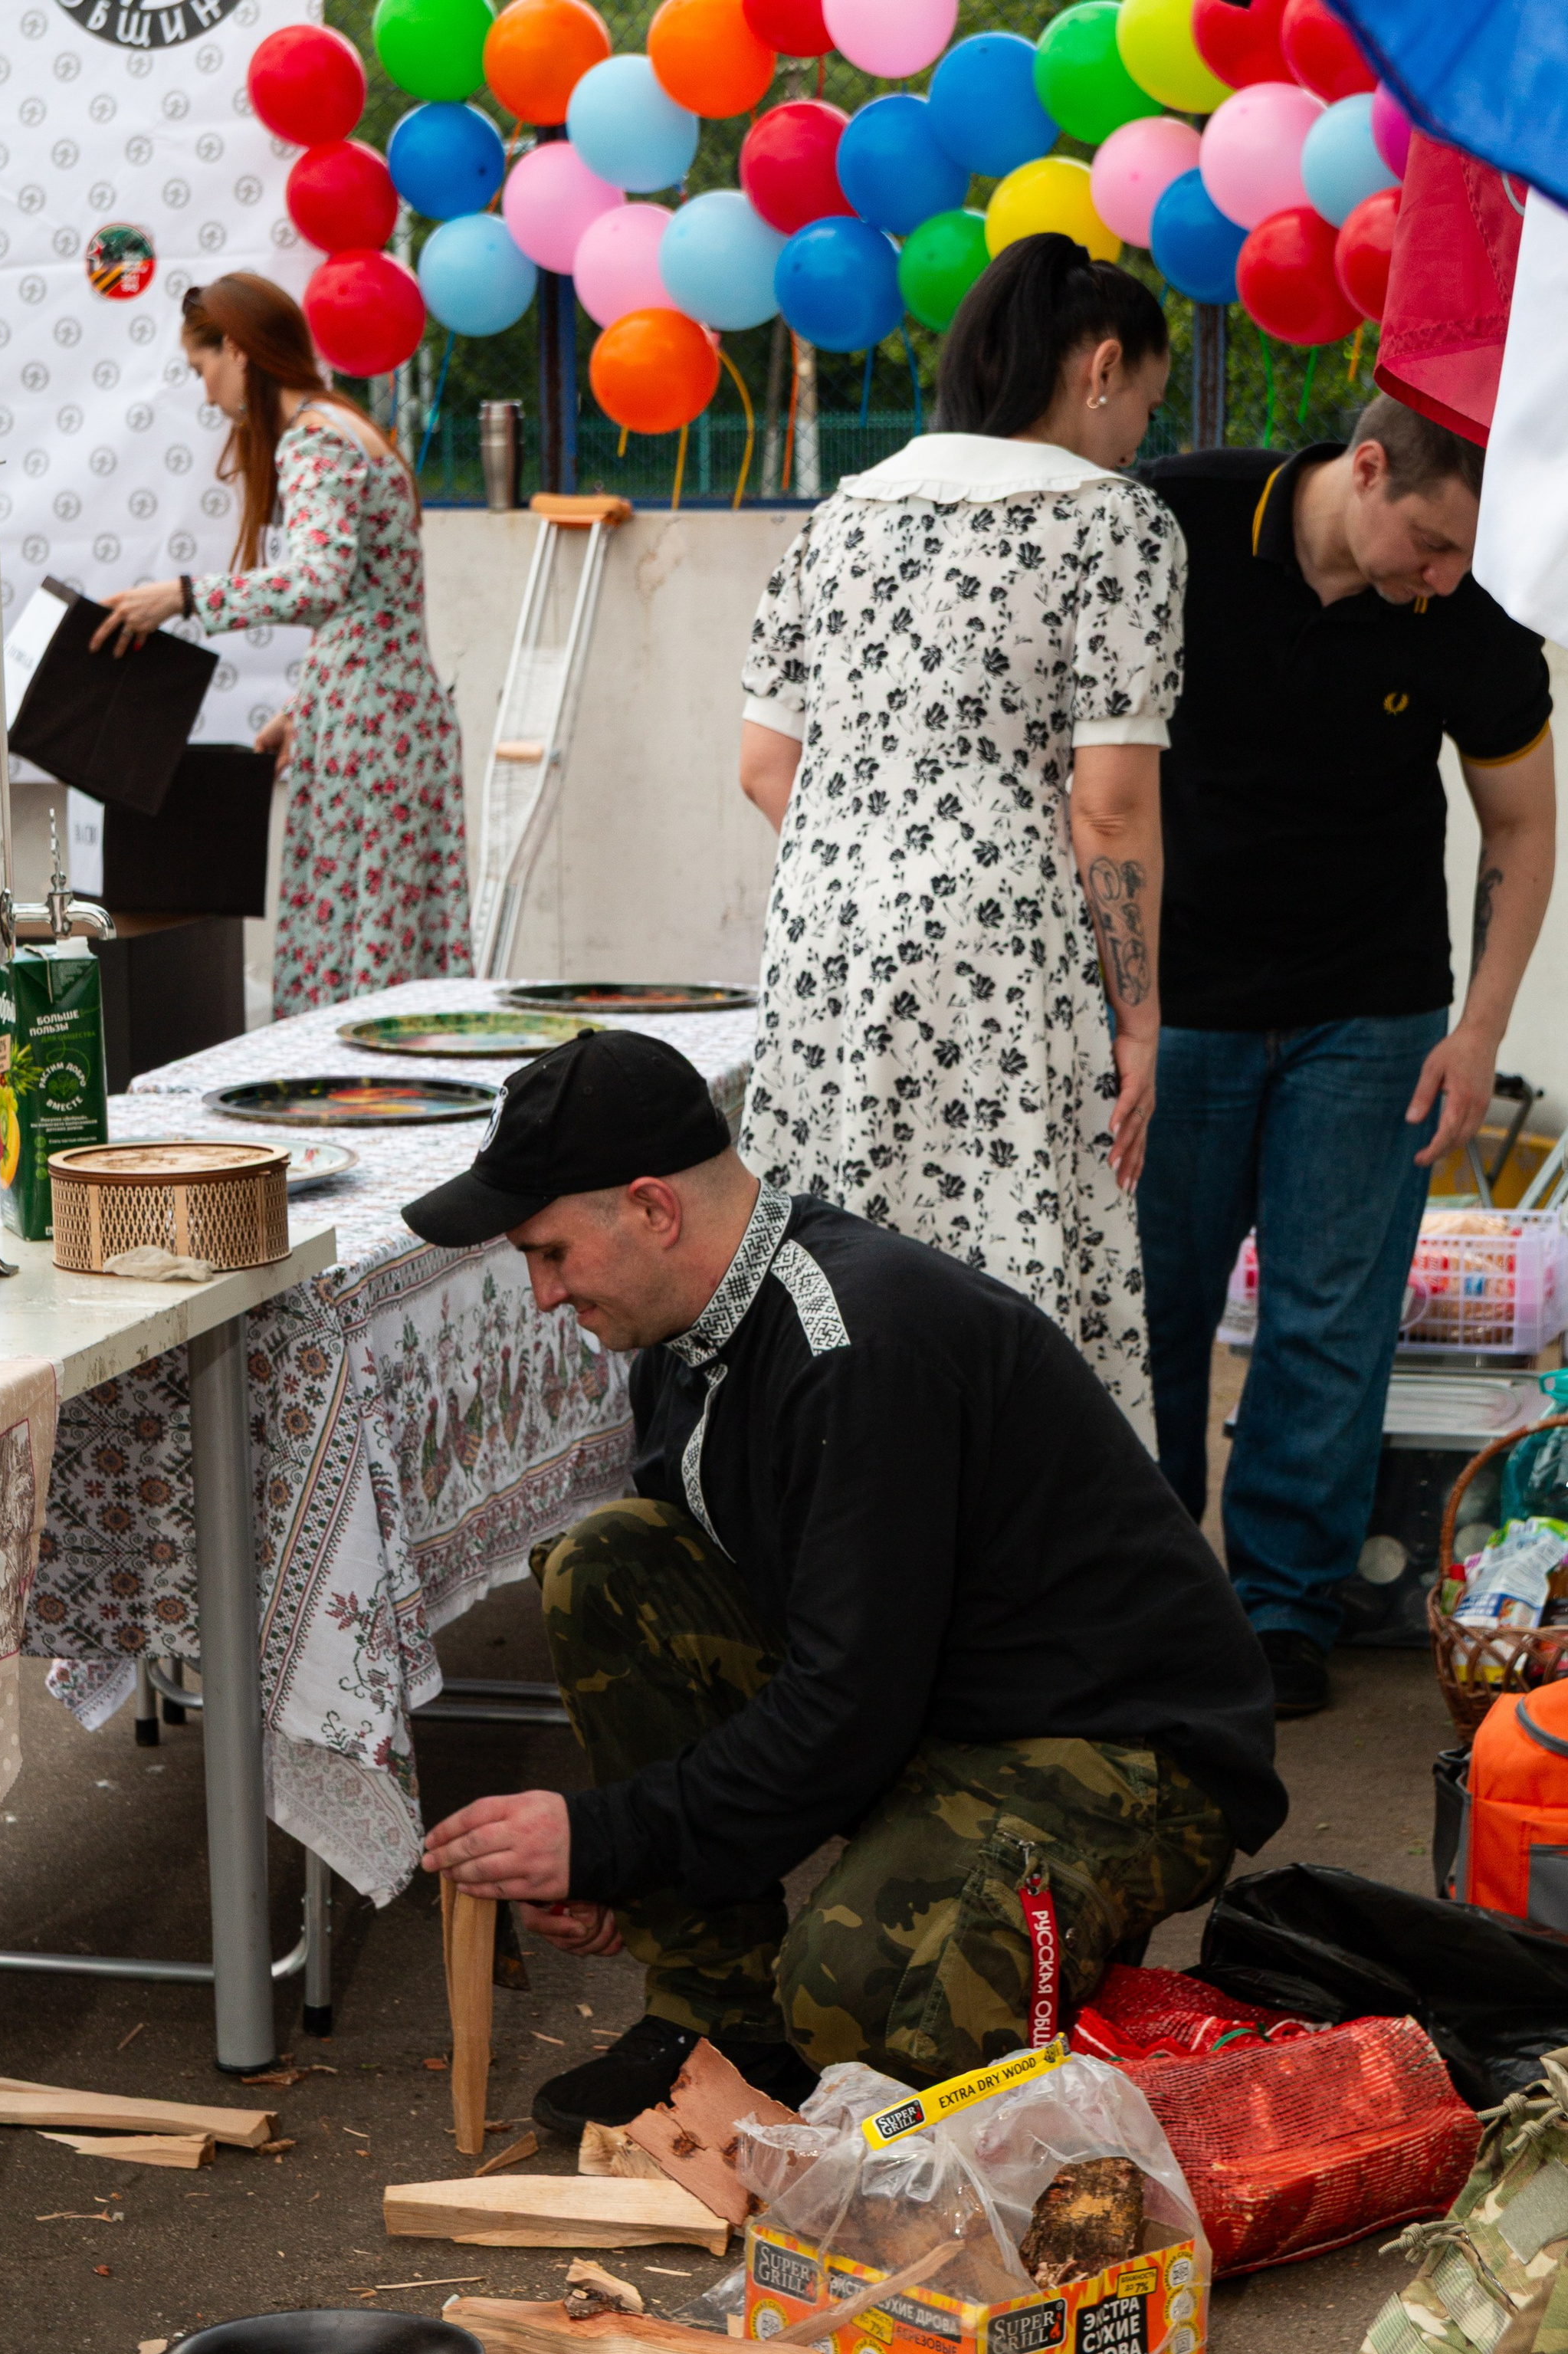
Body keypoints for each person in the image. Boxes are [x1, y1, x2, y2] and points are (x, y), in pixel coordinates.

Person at [405, 1032, 1285, 2132]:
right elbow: (773, 1658)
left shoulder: (856, 1345)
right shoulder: (689, 1334)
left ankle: (1045, 1922)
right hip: (929, 1703)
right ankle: (718, 2016)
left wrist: (606, 1836)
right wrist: (624, 1859)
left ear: (652, 1209)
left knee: (859, 2010)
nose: (541, 1294)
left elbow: (844, 1709)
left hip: (1115, 1744)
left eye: (549, 1252)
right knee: (609, 1567)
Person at [1137, 398, 1557, 1717]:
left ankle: (1281, 1614)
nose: (1441, 578)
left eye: (1463, 561)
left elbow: (1522, 827)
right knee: (1149, 1309)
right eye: (1429, 545)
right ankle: (1141, 1599)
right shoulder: (1175, 519)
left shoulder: (1473, 609)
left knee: (1331, 1324)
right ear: (1365, 468)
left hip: (1369, 1015)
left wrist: (1479, 1030)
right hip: (1176, 1009)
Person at [735, 233, 1185, 1442]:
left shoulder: (839, 515)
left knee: (839, 1267)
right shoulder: (1113, 524)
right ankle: (1020, 1590)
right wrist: (1137, 1014)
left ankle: (846, 1559)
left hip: (823, 941)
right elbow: (1109, 807)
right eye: (1145, 400)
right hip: (1000, 951)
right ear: (1100, 369)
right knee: (1009, 1266)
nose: (1142, 431)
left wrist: (881, 855)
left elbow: (763, 764)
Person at [90, 272, 470, 1015]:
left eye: (202, 370)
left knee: (357, 973)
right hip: (383, 718)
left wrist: (185, 596)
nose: (206, 395)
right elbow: (366, 603)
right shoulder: (343, 426)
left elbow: (322, 581)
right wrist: (307, 707)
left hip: (371, 734)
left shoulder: (314, 441)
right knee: (386, 952)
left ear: (236, 350)